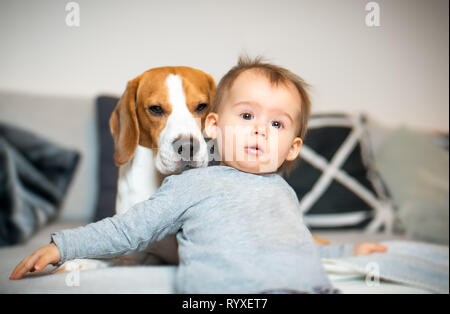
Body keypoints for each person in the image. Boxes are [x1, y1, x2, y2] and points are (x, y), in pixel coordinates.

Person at [10, 56, 387, 293]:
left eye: (198, 107)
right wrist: (68, 248)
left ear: (211, 119)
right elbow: (128, 234)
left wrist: (342, 251)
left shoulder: (248, 180)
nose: (184, 137)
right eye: (157, 110)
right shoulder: (172, 190)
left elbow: (287, 236)